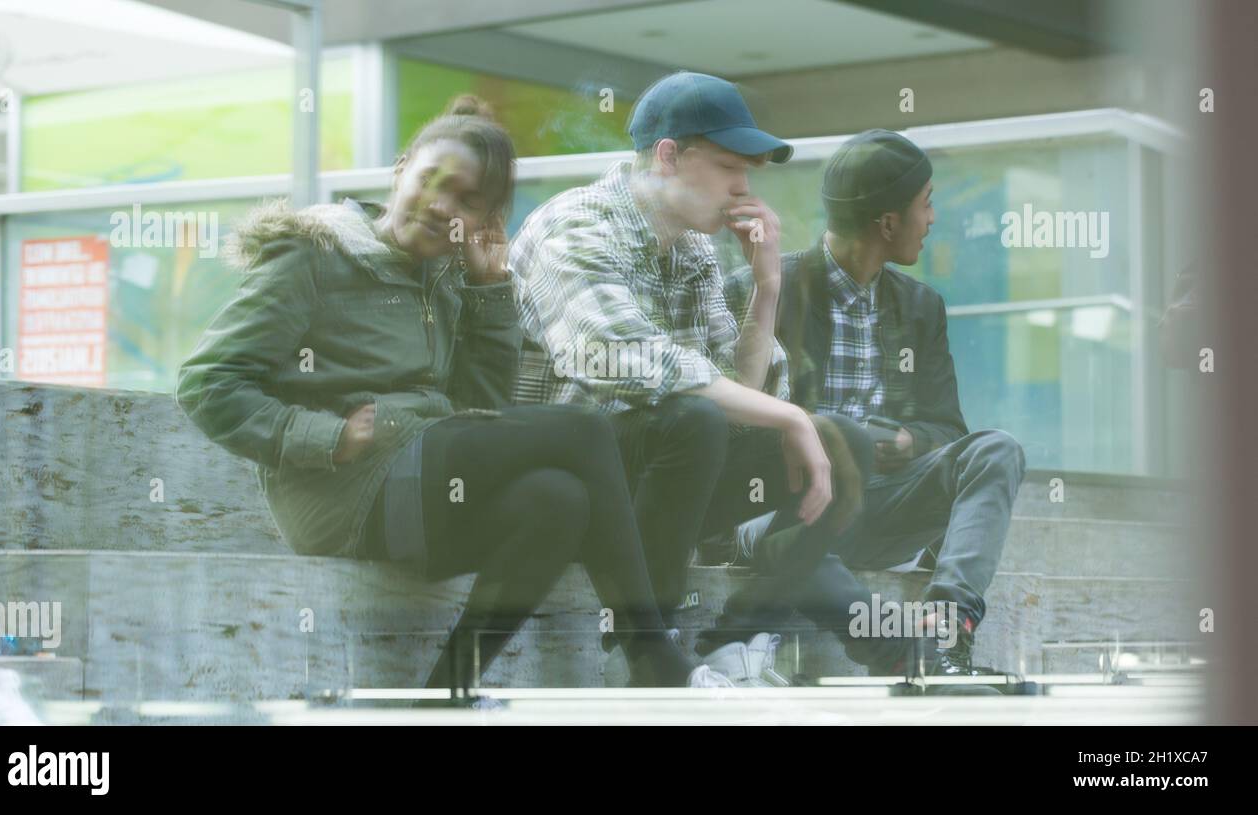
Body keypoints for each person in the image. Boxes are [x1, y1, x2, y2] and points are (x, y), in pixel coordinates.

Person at [177, 96, 728, 695]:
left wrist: (490, 295)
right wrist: (324, 436)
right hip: (343, 491)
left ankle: (443, 694)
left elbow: (476, 410)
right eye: (433, 182)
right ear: (400, 169)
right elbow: (207, 381)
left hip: (418, 486)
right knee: (582, 430)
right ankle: (652, 653)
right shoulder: (313, 255)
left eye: (470, 202)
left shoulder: (448, 276)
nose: (443, 208)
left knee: (558, 499)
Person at [510, 72, 872, 684]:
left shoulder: (691, 250)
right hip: (566, 488)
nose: (743, 188)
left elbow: (742, 393)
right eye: (731, 166)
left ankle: (735, 637)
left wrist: (765, 287)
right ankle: (651, 653)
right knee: (695, 416)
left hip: (661, 483)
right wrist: (788, 415)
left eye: (749, 172)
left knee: (844, 442)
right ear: (668, 156)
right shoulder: (572, 225)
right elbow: (618, 355)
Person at [724, 129, 1027, 687]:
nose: (933, 217)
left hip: (881, 501)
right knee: (788, 535)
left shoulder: (920, 306)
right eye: (926, 202)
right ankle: (903, 656)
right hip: (785, 504)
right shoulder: (761, 287)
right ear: (888, 223)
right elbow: (732, 425)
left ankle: (947, 628)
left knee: (995, 449)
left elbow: (947, 429)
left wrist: (908, 441)